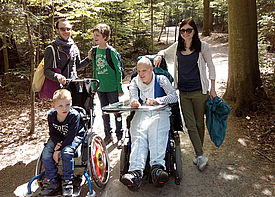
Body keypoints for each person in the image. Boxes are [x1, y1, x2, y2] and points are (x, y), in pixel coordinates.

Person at [154, 18, 217, 171]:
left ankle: (197, 153)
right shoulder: (177, 46)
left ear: (194, 31)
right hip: (183, 92)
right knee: (190, 124)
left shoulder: (203, 47)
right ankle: (200, 154)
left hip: (199, 92)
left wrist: (213, 88)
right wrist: (159, 56)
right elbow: (163, 51)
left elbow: (211, 67)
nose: (185, 33)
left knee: (199, 123)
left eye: (189, 30)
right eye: (183, 30)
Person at [120, 57, 178, 191]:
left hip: (160, 111)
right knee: (139, 134)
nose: (141, 74)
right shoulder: (135, 81)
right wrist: (134, 101)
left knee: (156, 131)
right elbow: (133, 96)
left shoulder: (161, 79)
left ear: (151, 69)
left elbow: (174, 96)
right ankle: (135, 172)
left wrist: (158, 100)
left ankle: (157, 168)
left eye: (144, 71)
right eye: (139, 71)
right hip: (142, 112)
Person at [40, 89, 85, 196]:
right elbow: (52, 132)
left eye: (67, 105)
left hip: (74, 136)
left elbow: (71, 136)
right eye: (60, 106)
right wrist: (57, 144)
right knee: (46, 155)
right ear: (53, 106)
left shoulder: (74, 115)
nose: (64, 108)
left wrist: (58, 149)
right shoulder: (51, 115)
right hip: (58, 138)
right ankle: (53, 180)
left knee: (67, 152)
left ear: (71, 103)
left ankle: (67, 180)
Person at [87, 23, 124, 145]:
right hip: (101, 88)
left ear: (105, 37)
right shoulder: (94, 51)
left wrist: (119, 87)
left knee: (116, 111)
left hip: (112, 87)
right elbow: (94, 69)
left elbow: (118, 71)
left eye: (98, 35)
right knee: (104, 112)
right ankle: (108, 134)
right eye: (94, 35)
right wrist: (94, 86)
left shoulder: (111, 51)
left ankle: (120, 135)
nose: (95, 38)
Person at [43, 18, 91, 98]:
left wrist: (88, 59)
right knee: (63, 110)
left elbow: (77, 66)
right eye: (62, 29)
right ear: (57, 30)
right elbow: (47, 71)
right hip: (60, 89)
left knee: (78, 109)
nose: (66, 32)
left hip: (75, 86)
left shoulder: (74, 47)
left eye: (68, 29)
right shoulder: (51, 48)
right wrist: (57, 76)